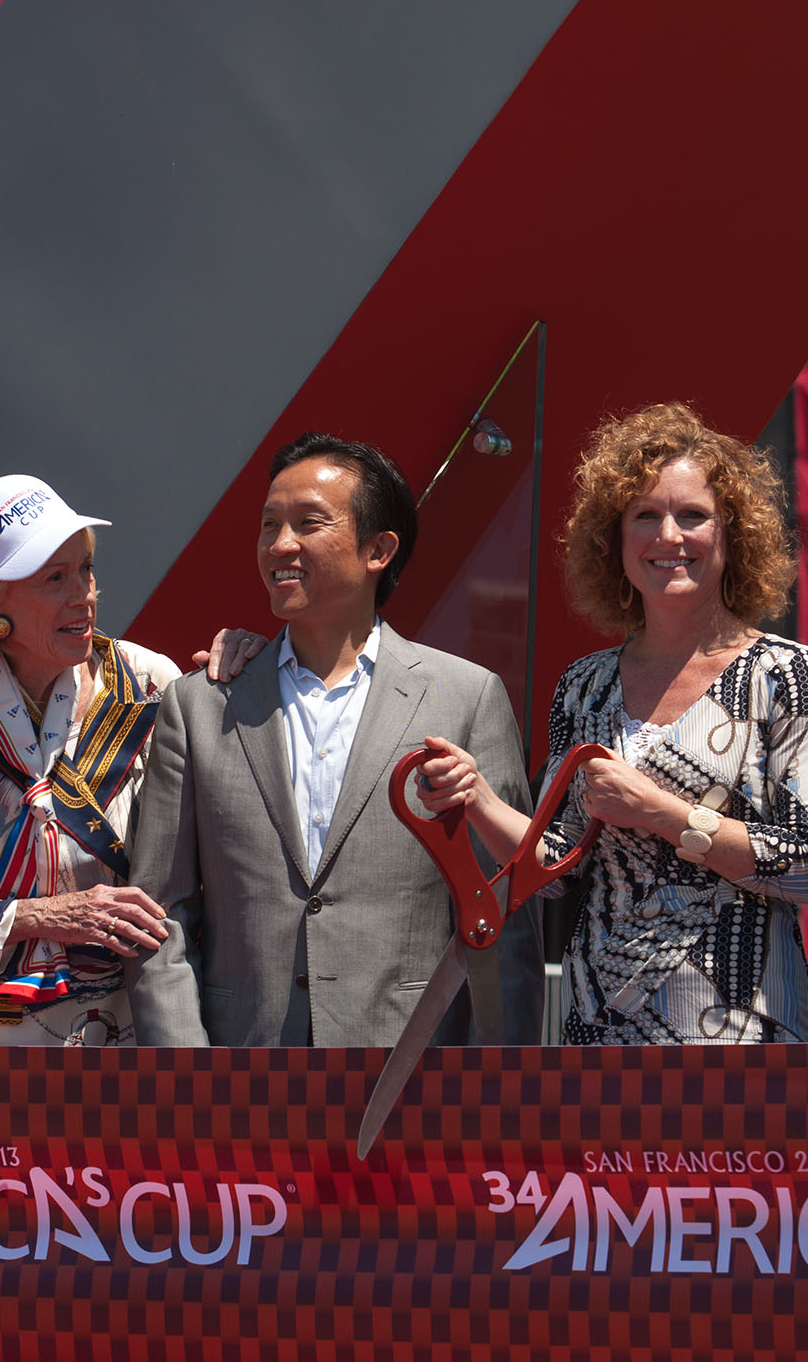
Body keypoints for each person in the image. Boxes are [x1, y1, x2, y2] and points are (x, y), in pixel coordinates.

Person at [419, 403, 808, 1043]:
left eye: (693, 515)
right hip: (598, 1040)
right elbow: (556, 869)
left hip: (745, 1045)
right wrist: (476, 796)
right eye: (644, 515)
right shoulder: (584, 685)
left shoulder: (785, 673)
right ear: (613, 541)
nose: (668, 536)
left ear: (734, 536)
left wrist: (658, 812)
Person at [123, 432, 542, 1049]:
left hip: (412, 1072)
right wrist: (189, 1073)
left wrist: (496, 1087)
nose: (280, 545)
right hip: (243, 1076)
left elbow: (501, 913)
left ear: (379, 549)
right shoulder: (200, 705)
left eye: (307, 523)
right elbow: (161, 914)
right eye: (269, 525)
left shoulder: (465, 695)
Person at [0, 474, 265, 1052]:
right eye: (54, 578)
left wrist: (255, 682)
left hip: (124, 1045)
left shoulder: (151, 683)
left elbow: (226, 868)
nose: (84, 594)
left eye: (86, 569)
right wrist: (39, 916)